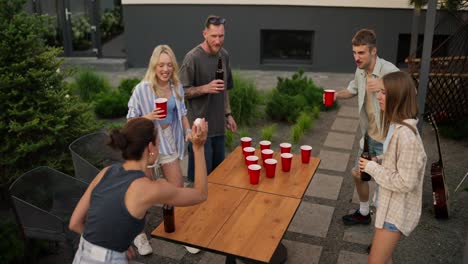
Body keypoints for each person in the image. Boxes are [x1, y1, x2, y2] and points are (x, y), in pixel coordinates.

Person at [69, 117, 208, 264]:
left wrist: (112, 246)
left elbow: (75, 223)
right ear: (150, 148)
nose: (159, 148)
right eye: (158, 143)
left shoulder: (106, 172)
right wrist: (198, 148)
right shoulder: (148, 189)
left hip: (81, 256)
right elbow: (200, 194)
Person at [328, 29, 399, 225]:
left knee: (386, 187)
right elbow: (353, 89)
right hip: (369, 137)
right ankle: (364, 212)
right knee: (359, 174)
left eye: (361, 53)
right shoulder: (360, 70)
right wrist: (334, 95)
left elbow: (409, 90)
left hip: (387, 139)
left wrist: (384, 85)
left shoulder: (389, 70)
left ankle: (382, 234)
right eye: (354, 52)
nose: (356, 58)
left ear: (373, 51)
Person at [126, 45, 191, 255]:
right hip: (146, 147)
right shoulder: (142, 89)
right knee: (145, 194)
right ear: (154, 65)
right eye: (161, 65)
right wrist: (149, 116)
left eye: (169, 65)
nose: (165, 69)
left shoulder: (176, 87)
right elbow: (129, 120)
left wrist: (189, 132)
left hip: (169, 143)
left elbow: (182, 114)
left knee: (177, 189)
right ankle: (139, 235)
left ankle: (176, 229)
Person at [358, 71, 427, 263]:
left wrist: (371, 168)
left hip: (395, 214)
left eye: (384, 93)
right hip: (387, 206)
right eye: (379, 91)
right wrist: (378, 159)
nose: (378, 97)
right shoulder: (396, 126)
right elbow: (397, 162)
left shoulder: (406, 136)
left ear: (398, 97)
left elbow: (406, 182)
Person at [179, 15, 238, 184]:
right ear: (204, 34)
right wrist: (205, 88)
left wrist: (228, 114)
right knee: (199, 179)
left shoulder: (224, 56)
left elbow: (225, 87)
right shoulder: (192, 58)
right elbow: (180, 92)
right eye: (214, 36)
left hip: (219, 127)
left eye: (221, 36)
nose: (218, 41)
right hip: (199, 130)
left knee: (218, 178)